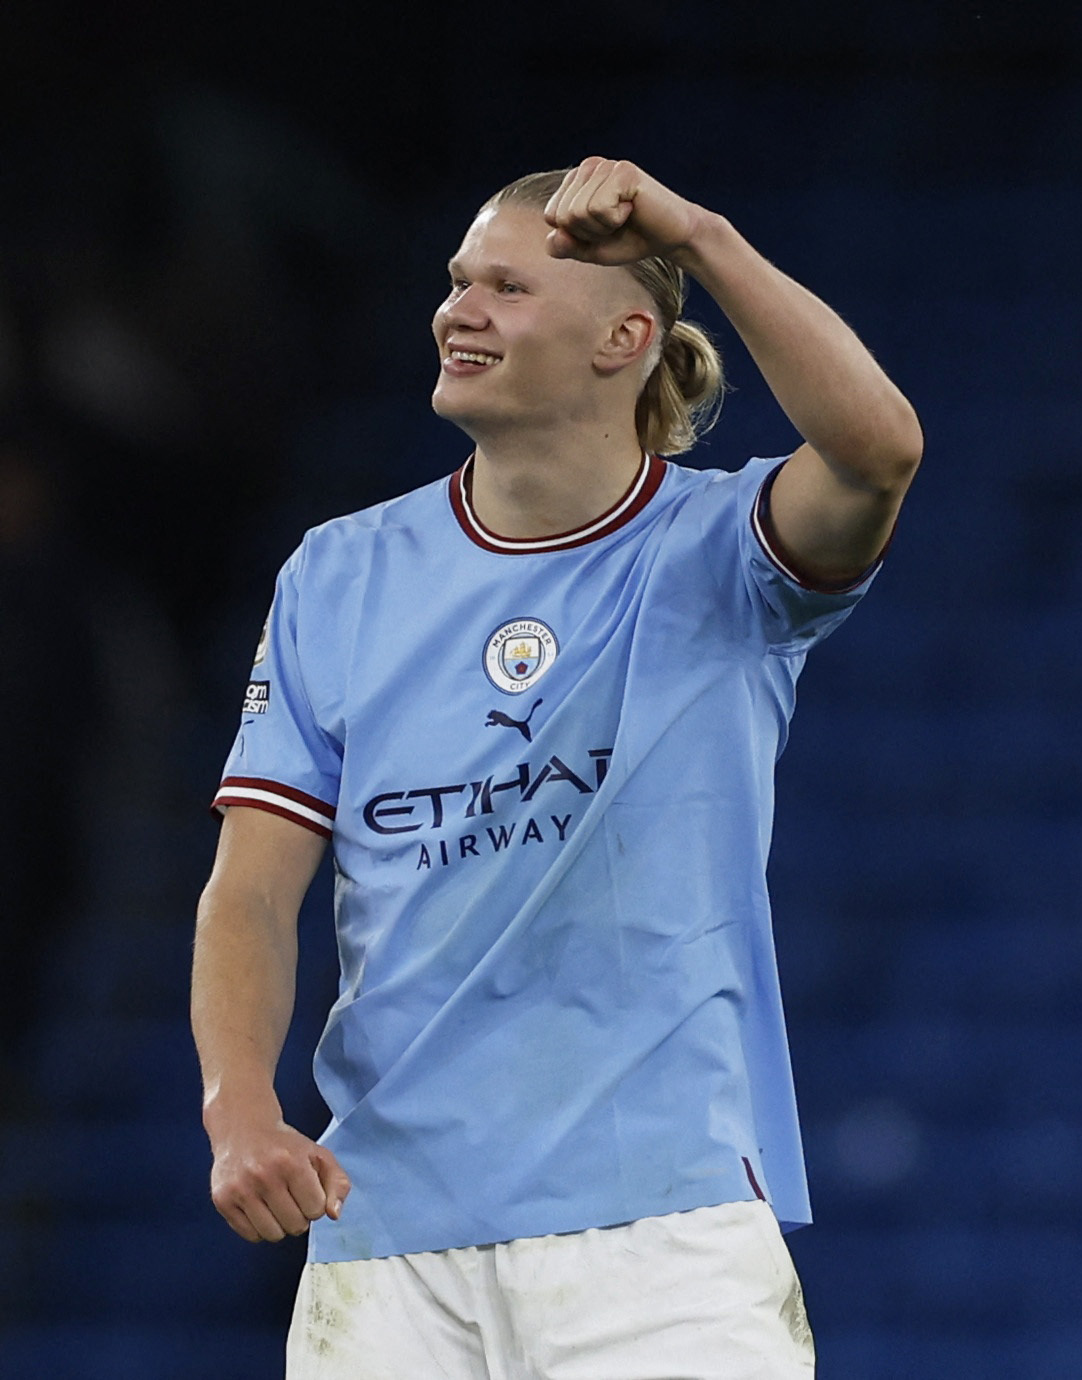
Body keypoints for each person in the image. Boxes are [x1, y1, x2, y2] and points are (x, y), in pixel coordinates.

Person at [191, 156, 922, 1378]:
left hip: (662, 1235)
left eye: (509, 287)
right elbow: (252, 890)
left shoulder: (723, 550)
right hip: (385, 1241)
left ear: (625, 337)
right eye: (457, 281)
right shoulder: (338, 573)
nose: (458, 308)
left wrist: (703, 236)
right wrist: (238, 1113)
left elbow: (879, 449)